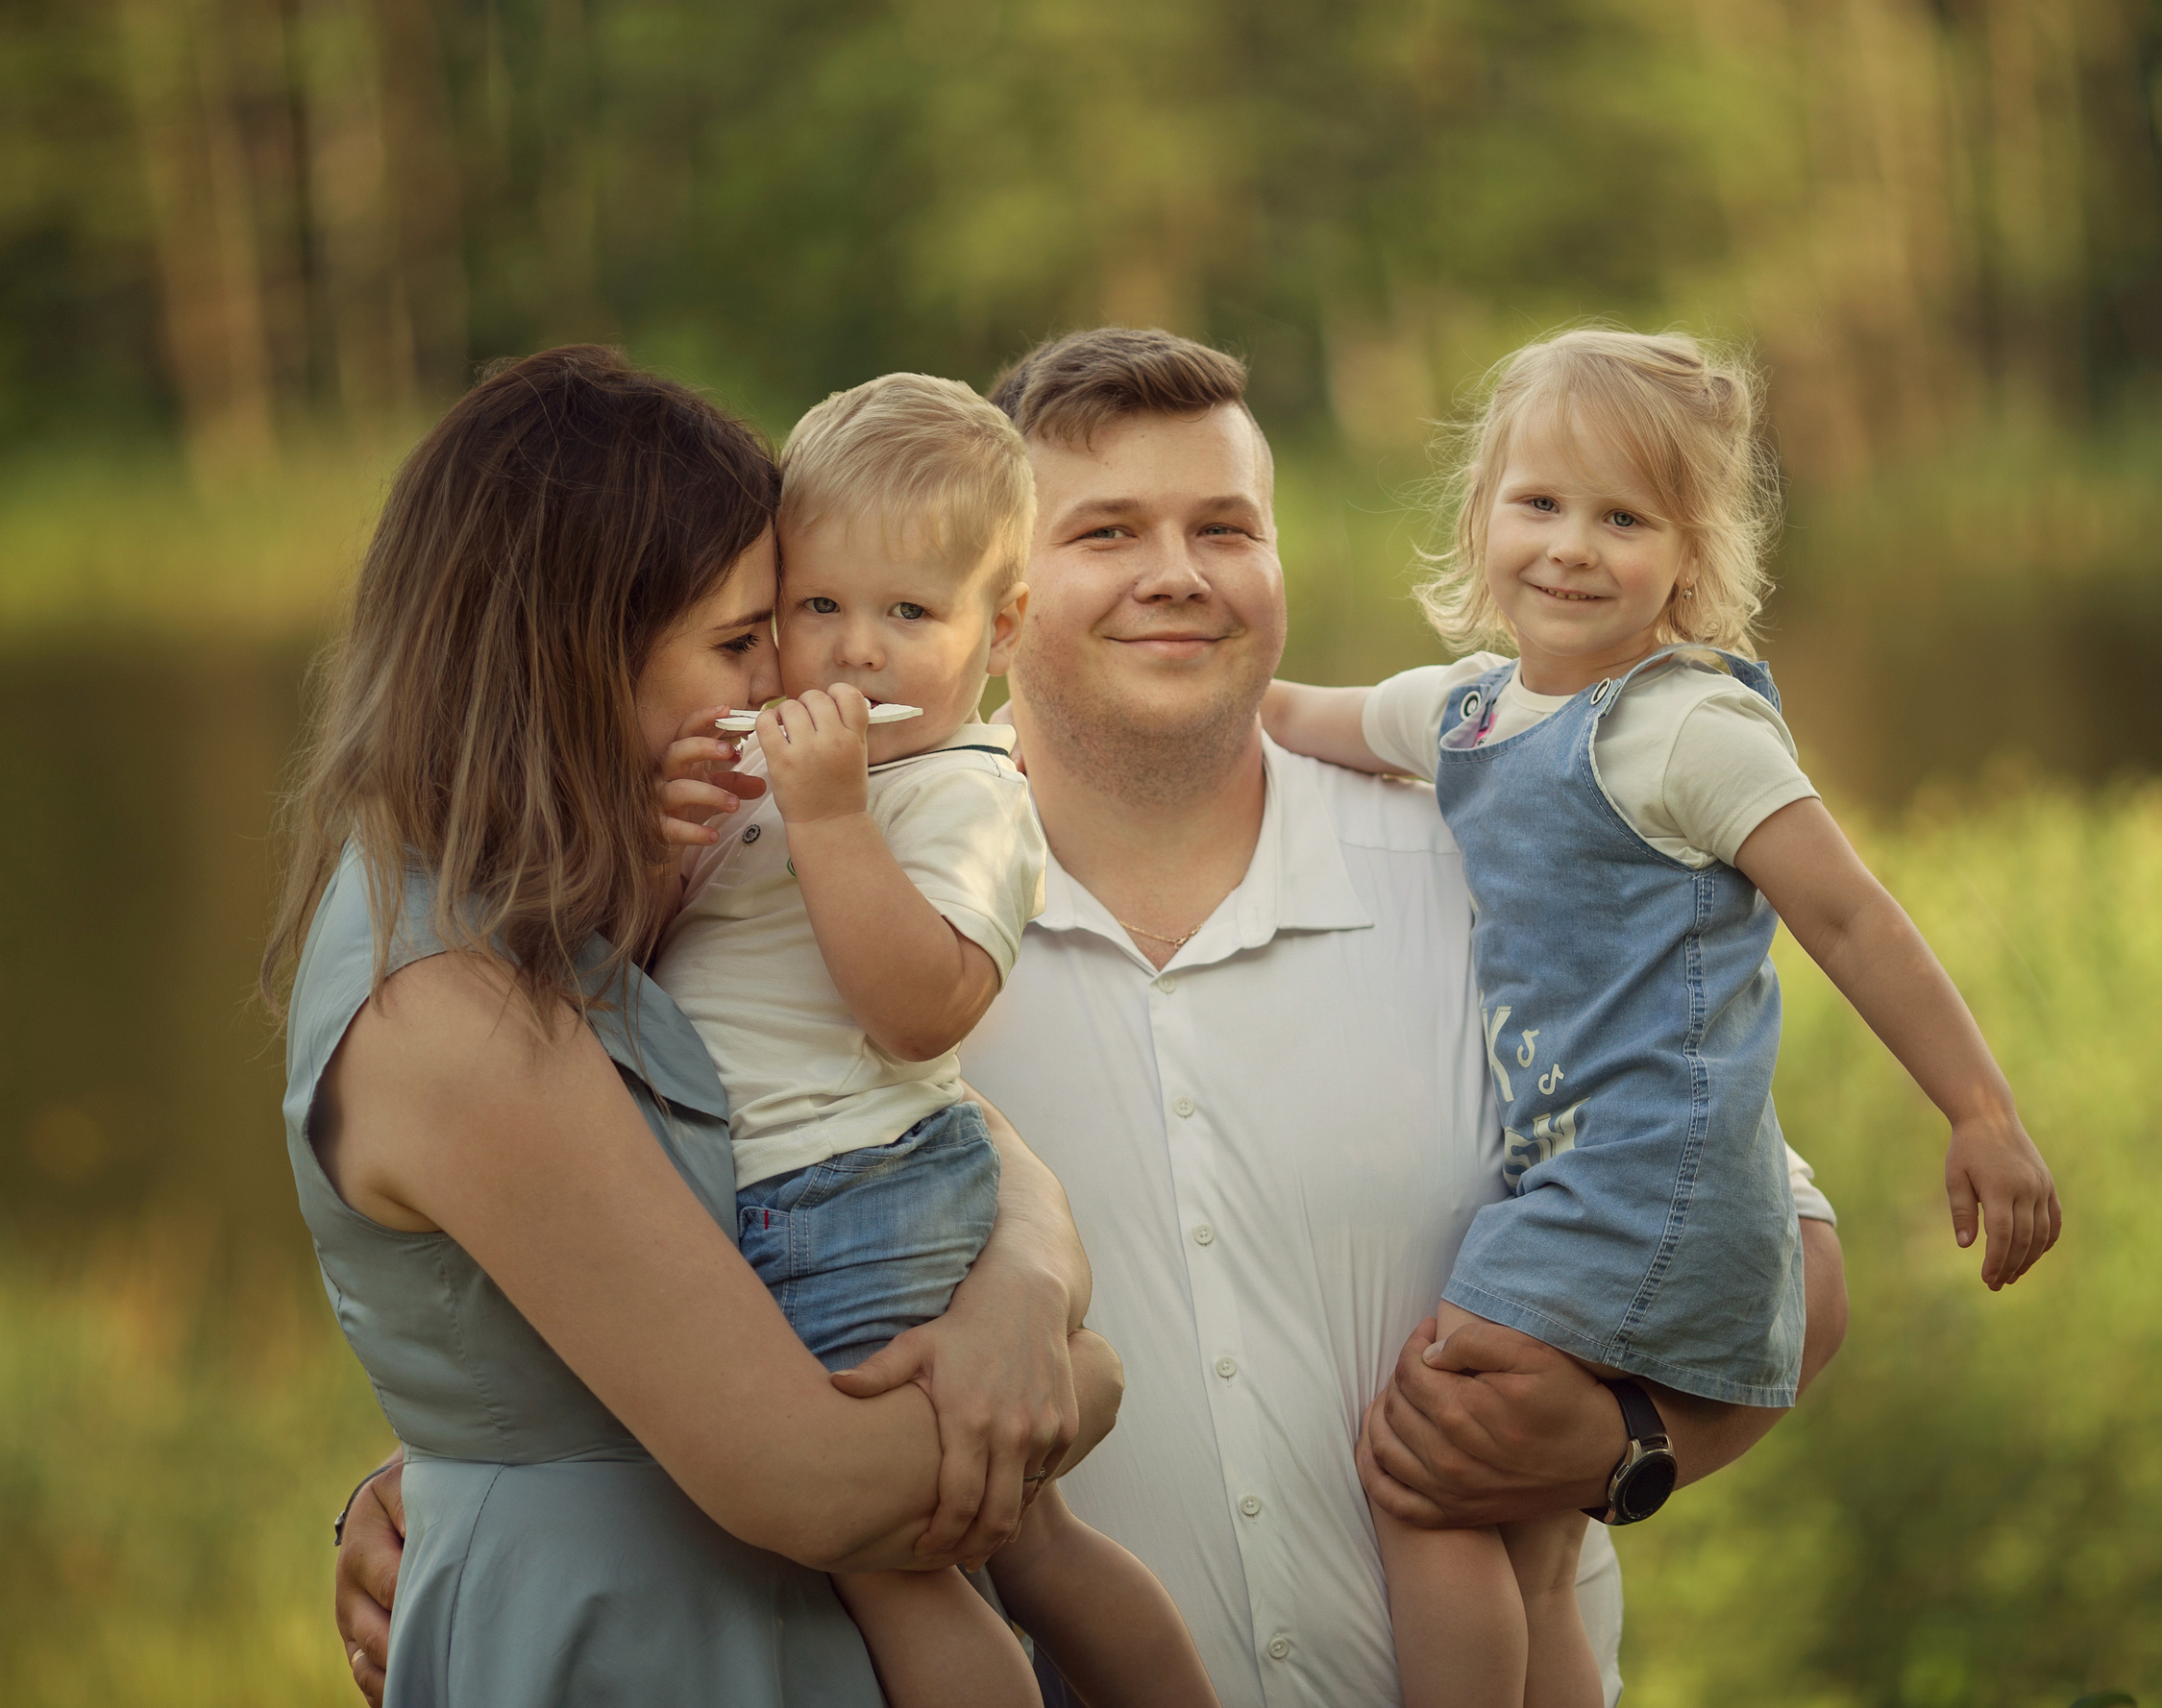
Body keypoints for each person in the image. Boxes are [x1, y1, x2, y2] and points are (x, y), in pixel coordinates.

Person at [335, 329, 1855, 1707]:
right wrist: (457, 1479)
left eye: (1225, 528)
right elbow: (638, 1243)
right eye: (1107, 532)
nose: (1176, 572)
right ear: (1005, 599)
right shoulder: (791, 898)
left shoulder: (1495, 856)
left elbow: (1776, 1255)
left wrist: (1627, 1444)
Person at [275, 345, 1122, 1707]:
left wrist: (1020, 1283)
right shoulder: (446, 1000)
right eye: (747, 639)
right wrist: (1084, 1386)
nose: (779, 679)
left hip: (759, 1613)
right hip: (637, 1642)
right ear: (578, 647)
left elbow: (878, 1106)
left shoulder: (574, 892)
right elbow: (808, 1474)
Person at [1262, 327, 2063, 1707]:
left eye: (1622, 517)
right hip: (1593, 1176)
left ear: (1687, 558)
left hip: (1654, 1185)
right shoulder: (1463, 711)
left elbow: (1853, 915)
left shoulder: (1681, 730)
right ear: (1484, 516)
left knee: (1431, 1462)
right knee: (1530, 1538)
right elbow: (1284, 713)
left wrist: (1980, 1110)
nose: (1573, 547)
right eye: (1541, 504)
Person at [654, 373, 1216, 1708]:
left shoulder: (962, 793)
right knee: (1027, 1545)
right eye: (818, 607)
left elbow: (919, 1009)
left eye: (908, 612)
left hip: (847, 1200)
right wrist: (665, 827)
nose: (853, 651)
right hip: (784, 1191)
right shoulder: (794, 775)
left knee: (894, 1562)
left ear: (1003, 627)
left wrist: (832, 820)